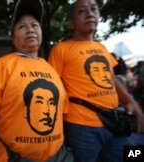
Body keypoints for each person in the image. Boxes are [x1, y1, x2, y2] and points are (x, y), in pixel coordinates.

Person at [48, 0, 144, 162]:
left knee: (133, 155)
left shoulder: (102, 48)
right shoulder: (60, 49)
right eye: (82, 11)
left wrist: (131, 101)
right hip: (81, 126)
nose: (90, 13)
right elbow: (53, 86)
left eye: (93, 9)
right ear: (71, 23)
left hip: (115, 123)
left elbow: (112, 79)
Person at [0, 0, 72, 161]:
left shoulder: (51, 69)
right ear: (13, 39)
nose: (30, 30)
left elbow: (62, 114)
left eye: (35, 25)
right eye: (22, 27)